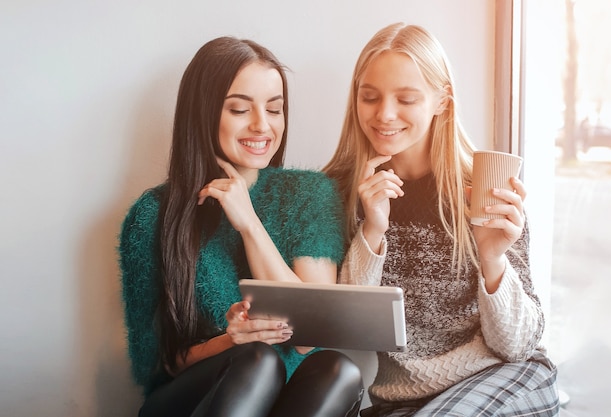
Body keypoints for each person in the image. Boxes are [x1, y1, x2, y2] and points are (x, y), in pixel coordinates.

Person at [118, 36, 363, 417]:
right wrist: (230, 341)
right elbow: (155, 363)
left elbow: (312, 334)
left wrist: (249, 224)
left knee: (339, 370)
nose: (262, 126)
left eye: (275, 109)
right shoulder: (153, 215)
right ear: (203, 113)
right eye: (238, 109)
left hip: (287, 400)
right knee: (257, 360)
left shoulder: (309, 195)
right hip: (191, 400)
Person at [324, 23, 560, 417]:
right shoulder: (341, 192)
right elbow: (351, 328)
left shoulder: (484, 184)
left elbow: (516, 345)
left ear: (442, 102)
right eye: (370, 97)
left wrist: (493, 260)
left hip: (507, 380)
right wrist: (373, 230)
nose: (385, 114)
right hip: (406, 401)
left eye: (406, 99)